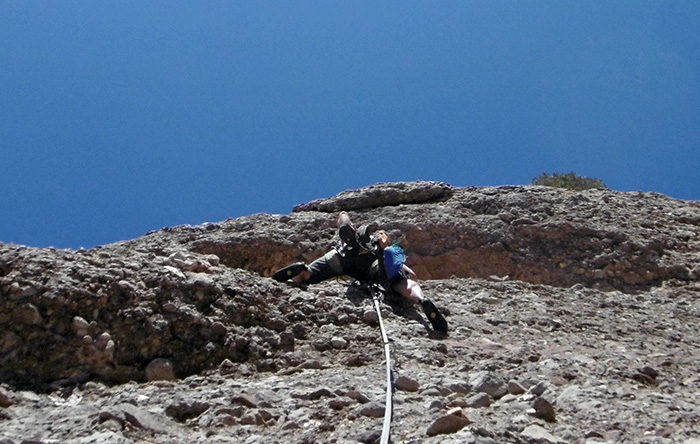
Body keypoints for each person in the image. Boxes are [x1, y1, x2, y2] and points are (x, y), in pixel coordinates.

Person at [272, 212, 448, 333]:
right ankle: (421, 300)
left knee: (310, 274)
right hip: (372, 265)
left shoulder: (361, 237)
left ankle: (302, 272)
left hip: (341, 258)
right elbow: (410, 274)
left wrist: (343, 218)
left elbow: (342, 214)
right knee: (400, 282)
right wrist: (401, 268)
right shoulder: (379, 241)